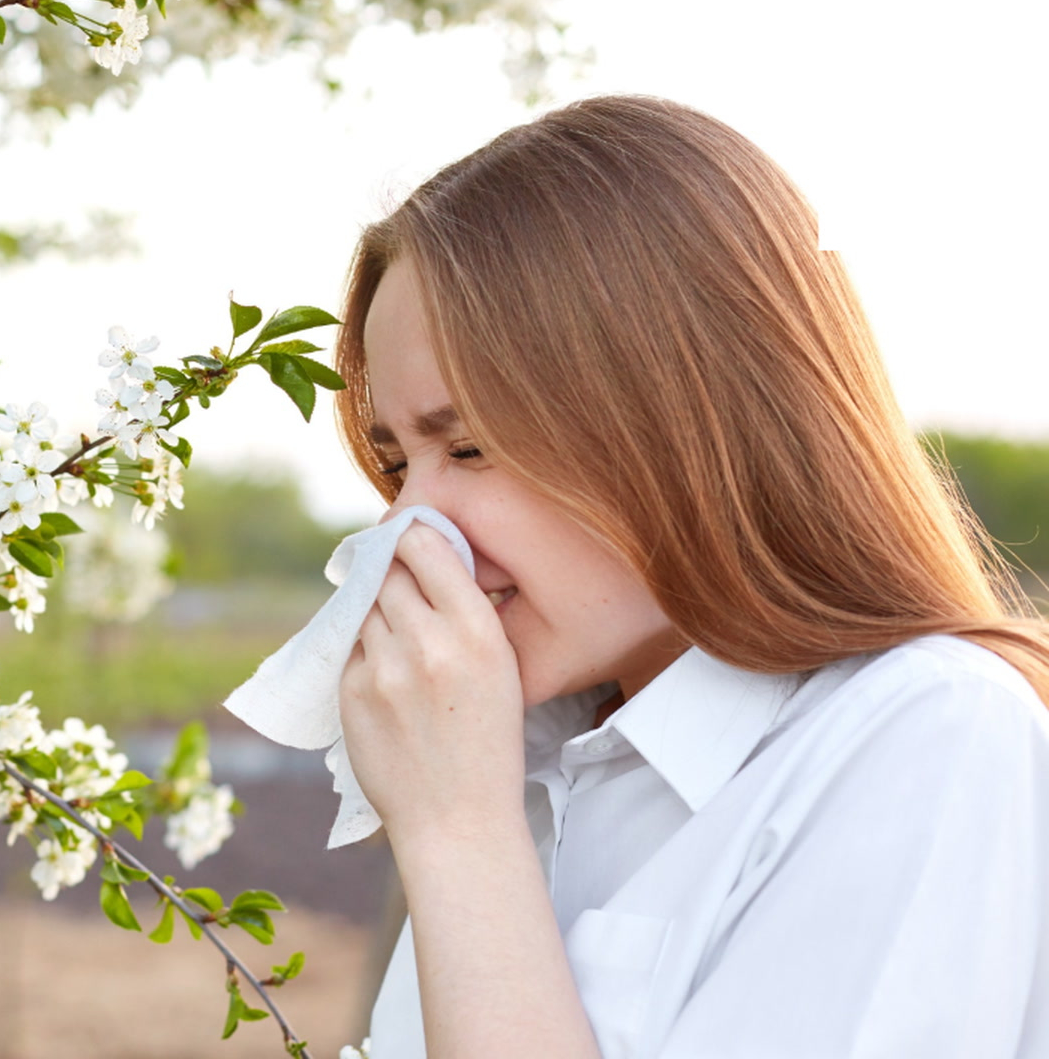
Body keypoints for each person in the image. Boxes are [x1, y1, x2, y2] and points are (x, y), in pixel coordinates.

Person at [331, 92, 1049, 1058]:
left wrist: (459, 841)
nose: (409, 524)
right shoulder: (523, 760)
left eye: (467, 448)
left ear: (683, 419)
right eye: (393, 464)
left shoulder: (926, 733)